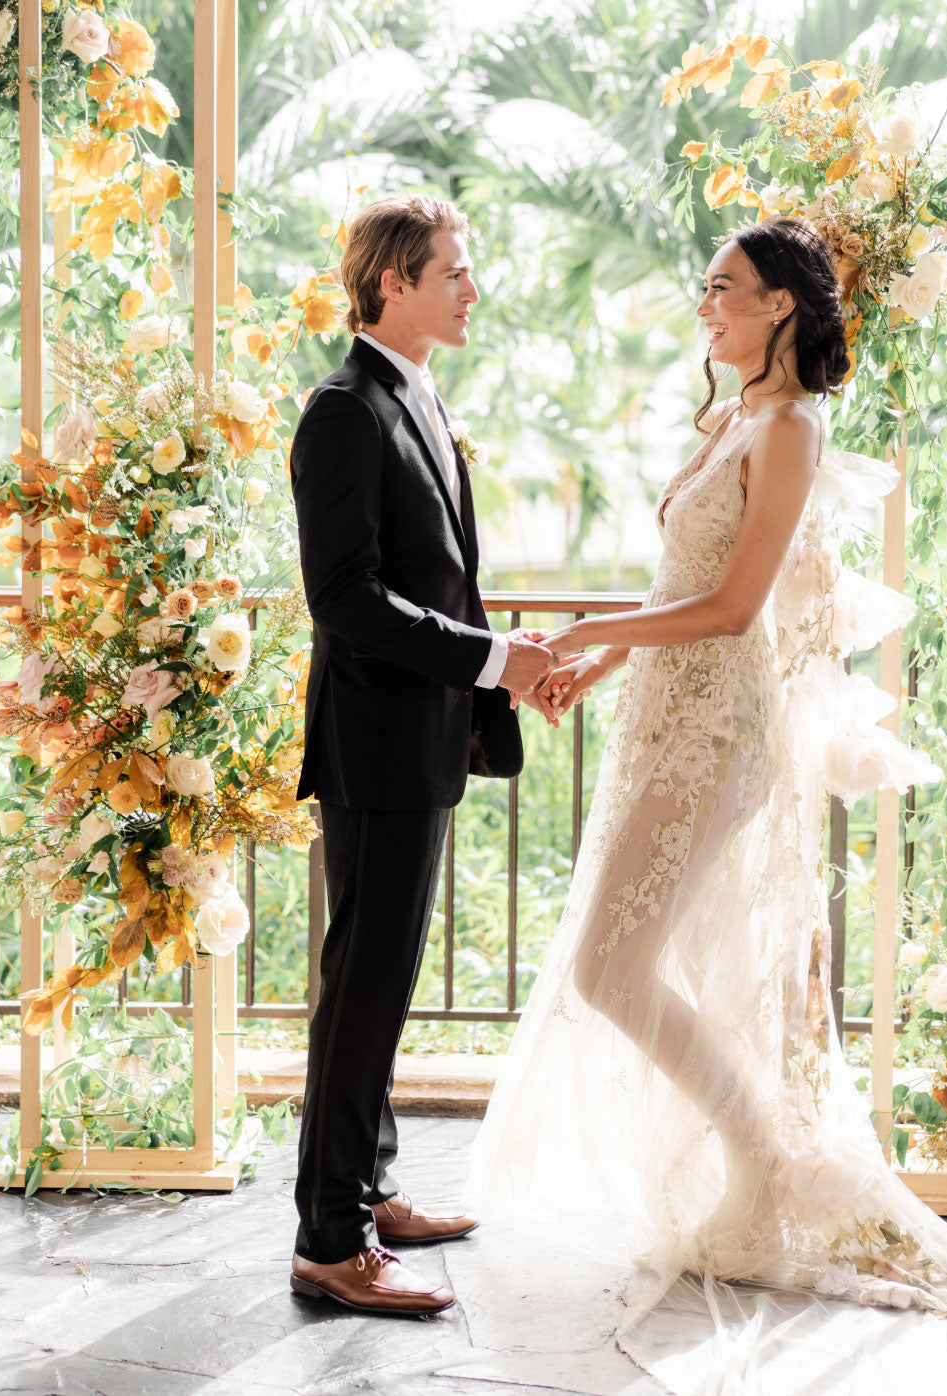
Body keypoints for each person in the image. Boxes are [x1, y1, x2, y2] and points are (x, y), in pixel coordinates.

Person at [463, 216, 947, 1388]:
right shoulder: (727, 415)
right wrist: (604, 663)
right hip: (661, 715)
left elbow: (735, 607)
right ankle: (763, 1154)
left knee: (607, 969)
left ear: (783, 305)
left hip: (723, 727)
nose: (706, 306)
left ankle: (766, 1160)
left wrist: (584, 629)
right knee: (620, 962)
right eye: (706, 289)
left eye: (726, 289)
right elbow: (678, 583)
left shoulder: (789, 427)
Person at [288, 195, 555, 1317]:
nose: (471, 289)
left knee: (381, 985)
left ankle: (372, 1184)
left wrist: (493, 664)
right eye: (455, 271)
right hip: (377, 748)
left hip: (420, 742)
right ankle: (328, 1238)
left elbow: (433, 569)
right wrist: (494, 661)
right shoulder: (345, 409)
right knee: (363, 989)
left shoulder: (416, 394)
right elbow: (346, 599)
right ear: (393, 281)